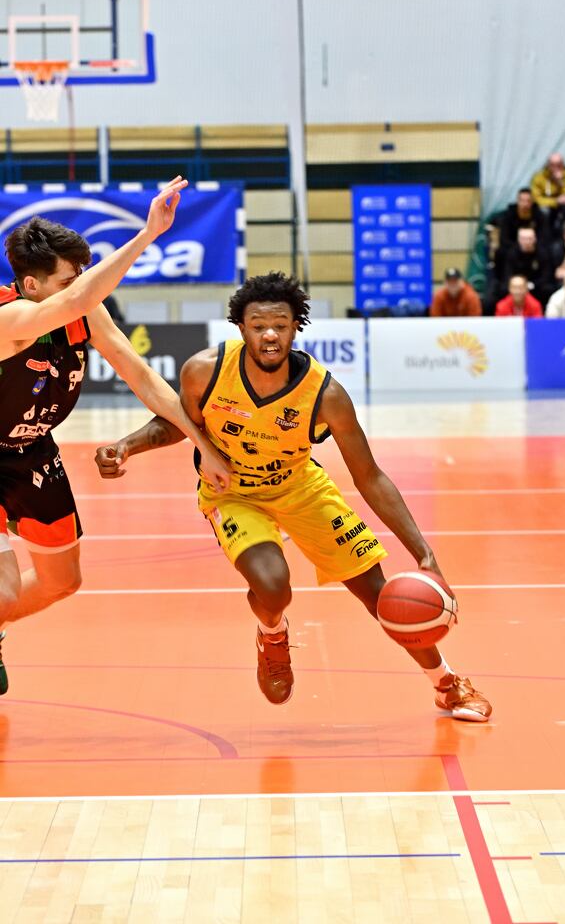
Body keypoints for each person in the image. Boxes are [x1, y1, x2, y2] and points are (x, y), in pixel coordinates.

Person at [95, 272, 492, 721]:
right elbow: (176, 424)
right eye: (258, 325)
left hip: (301, 487)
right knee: (272, 586)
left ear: (295, 328)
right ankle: (272, 635)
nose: (269, 335)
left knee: (380, 594)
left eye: (280, 325)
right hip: (232, 494)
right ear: (241, 327)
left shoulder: (325, 394)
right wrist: (126, 445)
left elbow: (369, 476)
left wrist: (423, 553)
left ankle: (447, 684)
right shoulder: (204, 372)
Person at [0, 177, 231, 695]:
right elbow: (79, 298)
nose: (82, 288)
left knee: (63, 582)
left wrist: (204, 447)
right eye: (69, 281)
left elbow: (143, 377)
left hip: (32, 452)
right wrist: (147, 235)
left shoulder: (86, 314)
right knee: (4, 591)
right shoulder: (9, 318)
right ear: (32, 285)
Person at [497, 187, 549, 253]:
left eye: (528, 201)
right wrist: (519, 247)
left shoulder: (539, 215)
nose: (525, 204)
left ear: (532, 202)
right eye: (522, 201)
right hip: (514, 248)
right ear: (518, 201)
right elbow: (504, 238)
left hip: (534, 248)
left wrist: (531, 246)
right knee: (501, 251)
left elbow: (544, 236)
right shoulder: (509, 215)